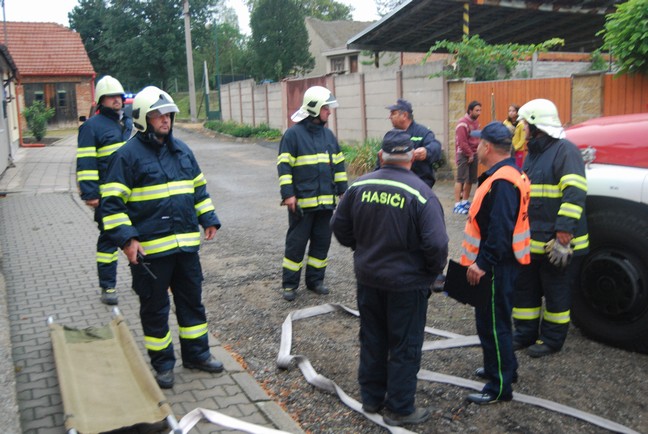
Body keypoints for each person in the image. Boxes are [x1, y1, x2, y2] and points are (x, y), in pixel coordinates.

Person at [101, 86, 224, 389]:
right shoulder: (126, 157)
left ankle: (197, 355)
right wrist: (128, 240)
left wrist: (208, 218)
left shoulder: (182, 150)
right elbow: (112, 205)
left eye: (168, 114)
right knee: (155, 311)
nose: (166, 120)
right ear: (143, 119)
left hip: (185, 247)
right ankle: (163, 365)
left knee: (191, 303)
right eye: (158, 115)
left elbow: (199, 189)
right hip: (151, 253)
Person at [331, 129, 448, 426]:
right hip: (407, 285)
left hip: (369, 279)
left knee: (373, 338)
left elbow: (339, 226)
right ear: (410, 158)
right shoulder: (422, 193)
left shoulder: (359, 186)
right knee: (404, 345)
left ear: (381, 156)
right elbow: (436, 244)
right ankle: (399, 407)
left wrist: (361, 248)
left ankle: (371, 398)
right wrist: (431, 272)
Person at [460, 122, 531, 405]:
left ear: (487, 147)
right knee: (498, 319)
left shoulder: (501, 181)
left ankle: (499, 387)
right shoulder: (510, 174)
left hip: (496, 265)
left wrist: (482, 264)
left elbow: (500, 230)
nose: (476, 147)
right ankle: (502, 369)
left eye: (479, 143)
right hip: (506, 263)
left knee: (493, 324)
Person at [513, 98, 589, 358]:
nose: (520, 127)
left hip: (558, 242)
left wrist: (564, 232)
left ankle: (552, 340)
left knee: (557, 294)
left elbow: (575, 192)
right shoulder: (533, 154)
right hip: (533, 242)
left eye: (523, 123)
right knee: (526, 290)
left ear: (535, 125)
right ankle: (524, 334)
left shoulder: (565, 151)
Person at [277, 85, 348, 301]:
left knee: (321, 242)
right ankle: (290, 284)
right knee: (296, 245)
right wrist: (288, 195)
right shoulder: (292, 135)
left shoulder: (328, 136)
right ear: (315, 108)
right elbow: (284, 167)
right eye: (326, 108)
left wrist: (343, 193)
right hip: (301, 205)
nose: (329, 112)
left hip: (326, 205)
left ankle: (315, 281)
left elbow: (338, 166)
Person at [76, 75, 133, 305]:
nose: (116, 100)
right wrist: (91, 194)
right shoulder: (91, 127)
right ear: (101, 100)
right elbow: (86, 162)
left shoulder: (128, 123)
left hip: (130, 193)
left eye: (119, 96)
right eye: (111, 97)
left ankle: (140, 282)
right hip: (106, 197)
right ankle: (108, 287)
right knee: (109, 240)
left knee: (137, 236)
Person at [380, 98, 443, 188]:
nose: (390, 117)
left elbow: (436, 146)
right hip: (395, 185)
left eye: (393, 113)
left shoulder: (422, 132)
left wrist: (426, 152)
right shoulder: (391, 136)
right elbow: (381, 160)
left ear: (404, 115)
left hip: (419, 185)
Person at [453, 101, 481, 214]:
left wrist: (476, 153)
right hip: (463, 154)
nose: (479, 112)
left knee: (470, 179)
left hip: (473, 154)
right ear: (470, 111)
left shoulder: (476, 123)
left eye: (480, 110)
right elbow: (462, 142)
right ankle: (457, 204)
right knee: (461, 179)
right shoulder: (462, 124)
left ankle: (465, 201)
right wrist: (469, 154)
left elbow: (477, 138)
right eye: (477, 110)